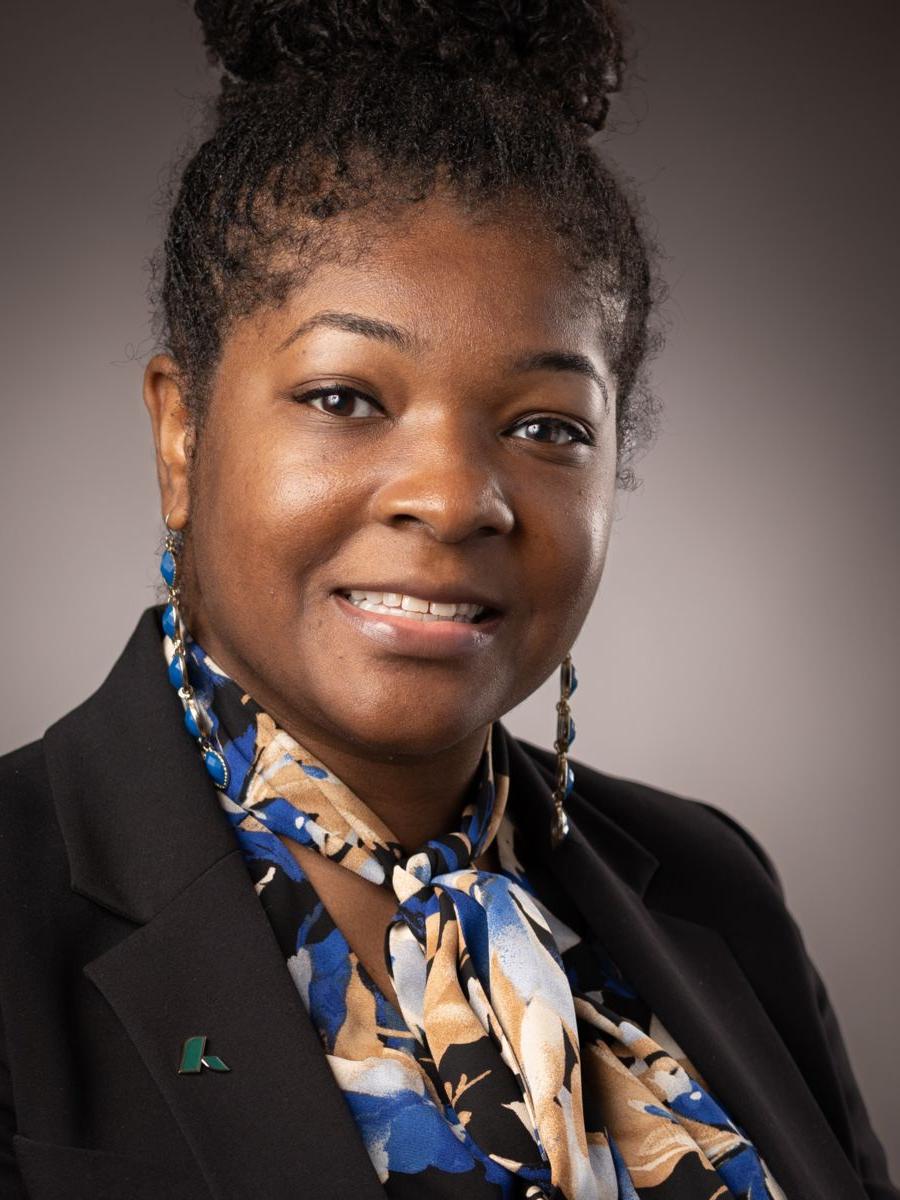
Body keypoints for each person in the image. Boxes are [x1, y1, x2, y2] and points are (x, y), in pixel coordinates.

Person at [0, 1, 895, 1197]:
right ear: (181, 431)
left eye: (543, 426)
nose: (456, 498)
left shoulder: (714, 886)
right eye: (345, 398)